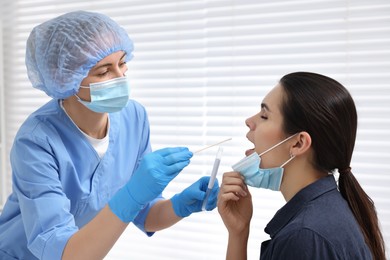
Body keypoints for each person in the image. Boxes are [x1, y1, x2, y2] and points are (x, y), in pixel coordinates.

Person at [0, 11, 219, 260]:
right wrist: (133, 193)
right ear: (64, 77)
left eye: (122, 63)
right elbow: (61, 252)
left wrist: (180, 205)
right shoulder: (36, 141)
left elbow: (144, 213)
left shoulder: (133, 118)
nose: (120, 77)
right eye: (103, 72)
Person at [217, 72, 386, 260]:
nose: (249, 121)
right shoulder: (328, 211)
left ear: (298, 143)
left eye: (264, 116)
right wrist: (238, 233)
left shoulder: (304, 237)